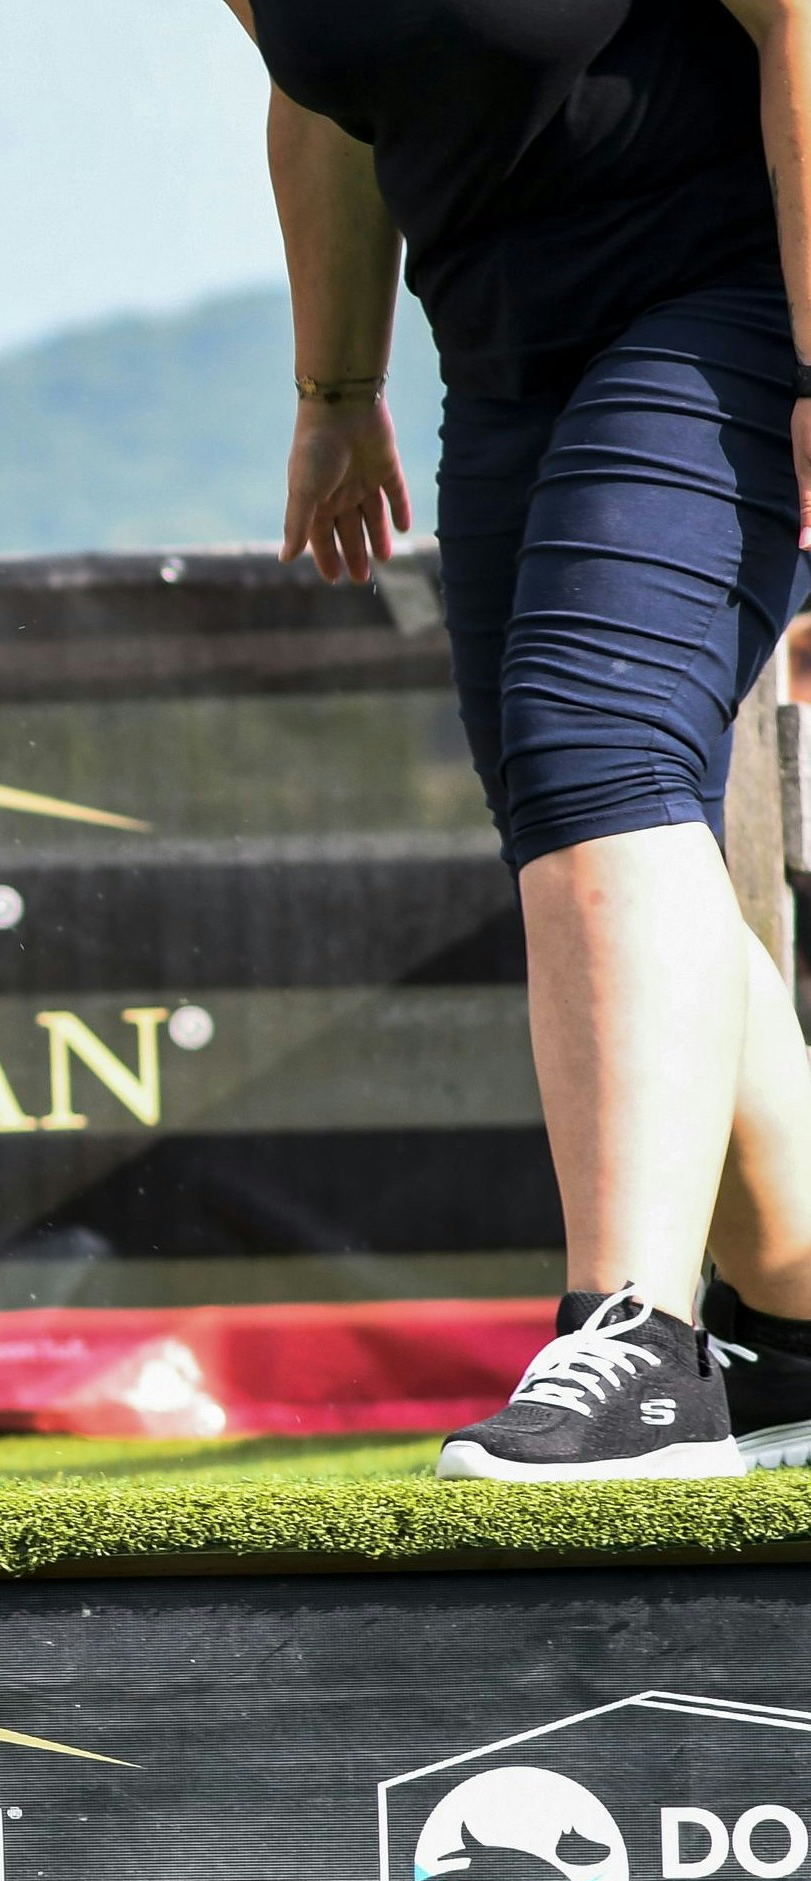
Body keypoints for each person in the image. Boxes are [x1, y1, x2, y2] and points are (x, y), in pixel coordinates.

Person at [229, 0, 811, 1478]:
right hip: (505, 348)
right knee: (594, 800)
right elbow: (329, 101)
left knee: (597, 749)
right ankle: (805, 1315)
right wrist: (335, 392)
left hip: (734, 284)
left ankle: (641, 1349)